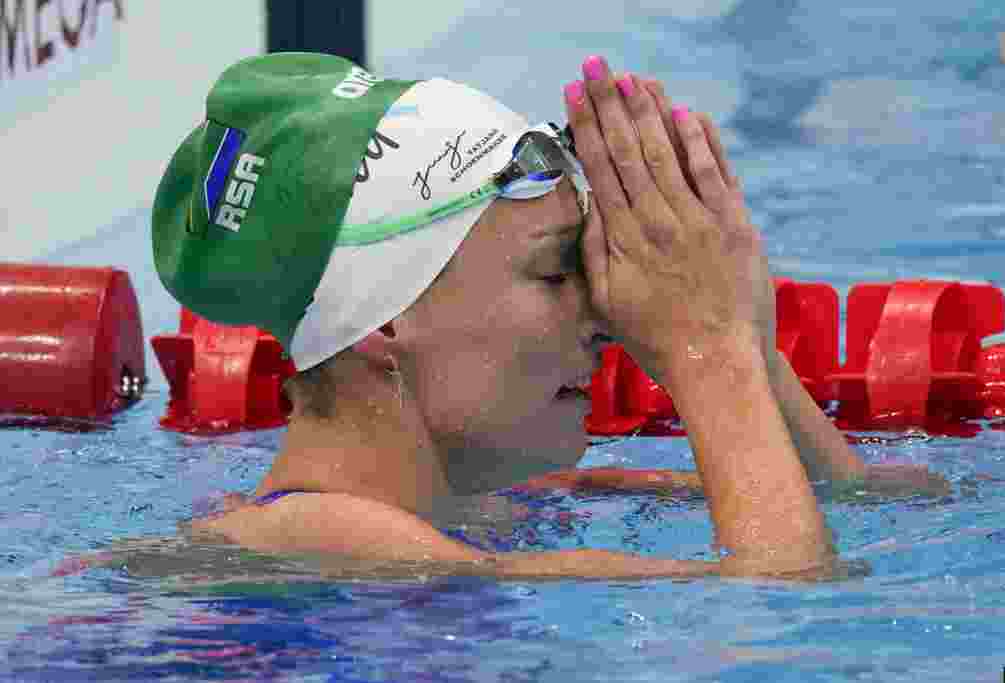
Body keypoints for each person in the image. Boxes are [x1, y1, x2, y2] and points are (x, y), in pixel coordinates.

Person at [152, 52, 944, 581]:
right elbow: (783, 602)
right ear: (381, 325)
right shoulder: (320, 535)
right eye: (556, 270)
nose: (602, 315)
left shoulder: (503, 502)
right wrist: (708, 351)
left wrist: (750, 346)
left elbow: (878, 504)